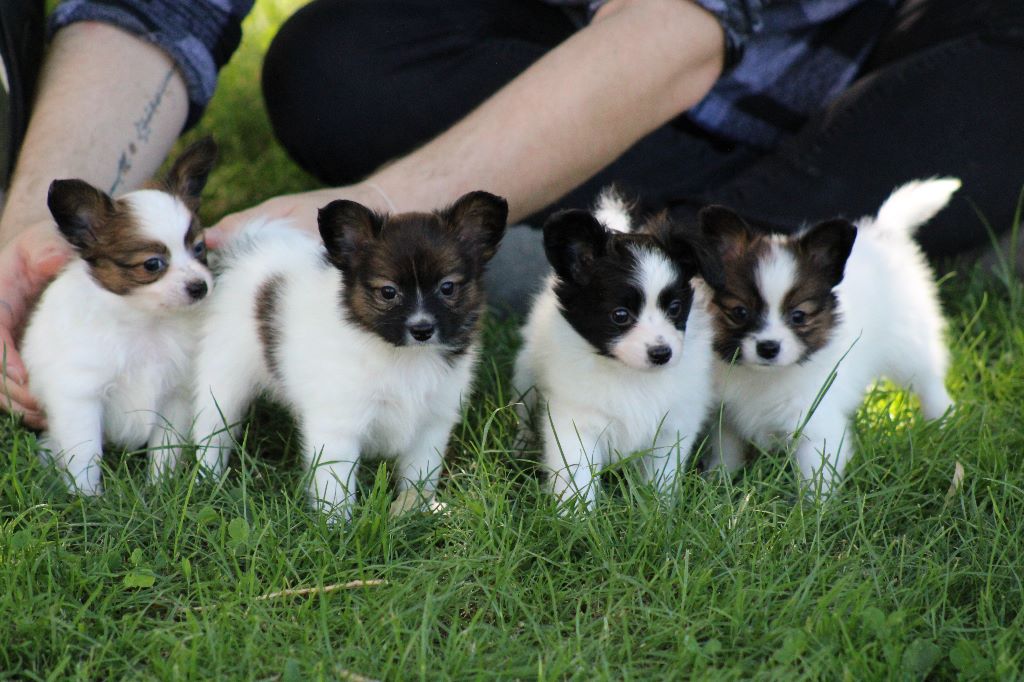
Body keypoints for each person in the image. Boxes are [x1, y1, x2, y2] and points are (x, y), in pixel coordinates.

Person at [0, 0, 1022, 429]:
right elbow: (162, 7)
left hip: (866, 60)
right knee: (332, 70)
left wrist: (401, 207)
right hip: (594, 48)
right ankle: (649, 243)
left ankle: (673, 257)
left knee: (988, 100)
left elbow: (683, 28)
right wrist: (44, 232)